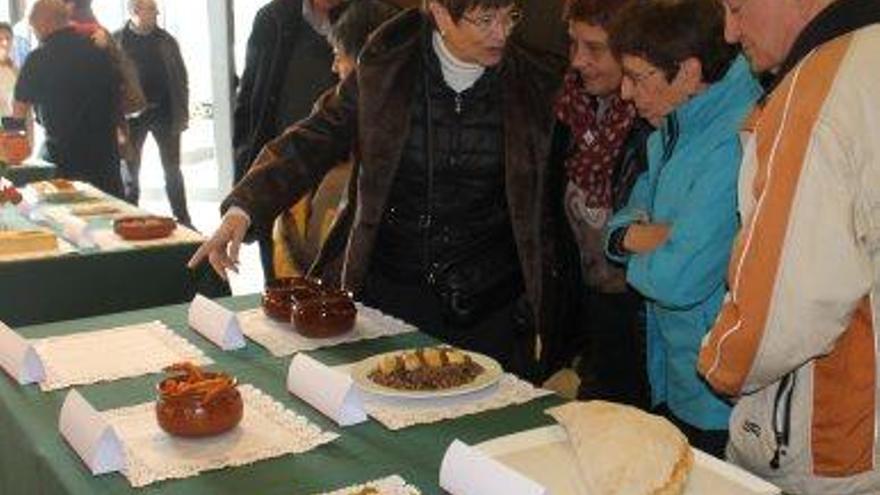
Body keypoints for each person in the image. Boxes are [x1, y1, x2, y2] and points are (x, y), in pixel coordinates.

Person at [190, 0, 568, 380]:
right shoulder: (386, 66)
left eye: (510, 16)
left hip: (489, 304)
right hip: (389, 292)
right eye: (485, 20)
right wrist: (243, 208)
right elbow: (313, 138)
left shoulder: (537, 82)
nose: (501, 33)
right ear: (438, 12)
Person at [697, 0, 880, 492]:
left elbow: (785, 305)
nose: (731, 33)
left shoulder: (818, 91)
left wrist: (717, 360)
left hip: (834, 443)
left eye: (737, 8)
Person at [603, 0, 761, 457]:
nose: (626, 94)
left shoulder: (732, 140)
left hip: (718, 393)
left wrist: (643, 239)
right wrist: (648, 235)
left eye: (638, 76)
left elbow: (680, 279)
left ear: (689, 73)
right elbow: (618, 224)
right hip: (675, 369)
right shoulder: (676, 128)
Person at [550, 0, 651, 407]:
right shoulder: (567, 107)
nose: (578, 61)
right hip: (584, 306)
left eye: (594, 48)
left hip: (636, 314)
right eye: (574, 44)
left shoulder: (651, 122)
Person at [273, 0, 400, 277]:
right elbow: (299, 146)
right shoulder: (338, 105)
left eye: (338, 55)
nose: (333, 67)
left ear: (368, 55)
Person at [233, 0, 345, 282]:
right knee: (279, 283)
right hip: (278, 172)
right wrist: (245, 175)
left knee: (332, 287)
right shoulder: (273, 19)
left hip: (341, 182)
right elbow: (249, 99)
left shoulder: (372, 17)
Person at [13, 0, 123, 196]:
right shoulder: (97, 51)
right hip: (104, 156)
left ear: (44, 24)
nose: (35, 32)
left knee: (64, 218)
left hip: (63, 158)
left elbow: (19, 109)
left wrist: (14, 149)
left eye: (34, 27)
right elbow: (116, 96)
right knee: (113, 215)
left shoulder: (38, 58)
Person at [114, 0, 191, 226]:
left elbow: (181, 78)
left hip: (166, 115)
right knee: (130, 171)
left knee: (173, 170)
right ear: (135, 11)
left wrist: (183, 113)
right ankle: (129, 219)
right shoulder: (118, 40)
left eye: (155, 9)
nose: (156, 13)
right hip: (132, 118)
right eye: (151, 9)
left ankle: (184, 218)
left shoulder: (166, 41)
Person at [0, 23, 18, 118]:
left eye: (8, 38)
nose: (5, 43)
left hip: (13, 126)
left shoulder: (15, 70)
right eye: (0, 39)